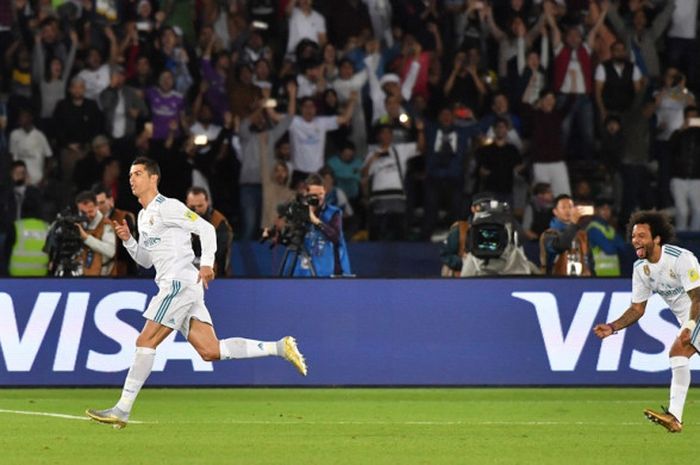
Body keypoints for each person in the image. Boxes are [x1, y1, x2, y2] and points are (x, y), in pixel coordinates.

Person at [86, 157, 307, 429]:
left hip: (179, 284)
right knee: (210, 350)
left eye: (138, 173)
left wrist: (206, 264)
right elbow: (145, 260)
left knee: (145, 341)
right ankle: (280, 347)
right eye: (130, 174)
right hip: (179, 286)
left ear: (154, 178)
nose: (132, 178)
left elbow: (205, 228)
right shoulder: (143, 217)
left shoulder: (169, 207)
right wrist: (128, 240)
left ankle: (122, 409)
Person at [593, 210, 700, 433]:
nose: (635, 241)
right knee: (678, 355)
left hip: (696, 317)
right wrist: (613, 327)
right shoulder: (641, 269)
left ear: (657, 238)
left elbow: (697, 297)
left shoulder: (681, 259)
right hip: (691, 323)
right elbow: (637, 308)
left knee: (678, 351)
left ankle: (674, 417)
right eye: (633, 236)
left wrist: (689, 327)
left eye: (641, 236)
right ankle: (674, 417)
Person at [186, 187, 234, 277]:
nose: (196, 210)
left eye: (200, 206)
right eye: (192, 207)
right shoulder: (179, 219)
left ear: (207, 202)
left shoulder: (219, 223)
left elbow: (220, 254)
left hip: (215, 274)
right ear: (187, 203)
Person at [539, 194, 592, 276]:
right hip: (556, 283)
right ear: (555, 211)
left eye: (570, 207)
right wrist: (573, 224)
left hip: (582, 282)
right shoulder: (548, 235)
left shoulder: (582, 235)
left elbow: (590, 262)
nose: (568, 210)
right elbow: (561, 246)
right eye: (563, 207)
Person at [94, 185, 137, 277]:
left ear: (111, 201)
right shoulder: (89, 220)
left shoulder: (124, 218)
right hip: (95, 272)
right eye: (95, 204)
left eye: (101, 203)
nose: (98, 208)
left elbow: (129, 251)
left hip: (121, 273)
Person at [74, 191, 117, 277]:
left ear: (97, 207)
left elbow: (111, 251)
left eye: (90, 211)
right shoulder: (77, 224)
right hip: (82, 275)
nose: (87, 215)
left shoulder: (106, 224)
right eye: (83, 212)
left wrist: (86, 238)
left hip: (103, 277)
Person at [586, 198, 626, 276]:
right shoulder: (593, 228)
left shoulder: (610, 229)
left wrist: (610, 243)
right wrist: (614, 243)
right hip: (598, 274)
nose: (606, 212)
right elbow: (609, 249)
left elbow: (623, 247)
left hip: (614, 274)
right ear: (596, 210)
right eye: (603, 209)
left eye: (608, 209)